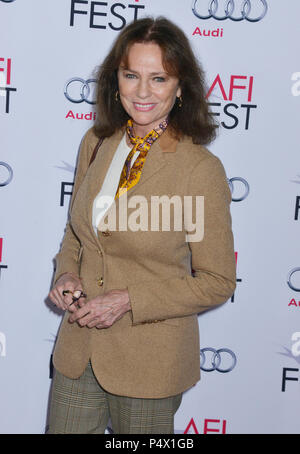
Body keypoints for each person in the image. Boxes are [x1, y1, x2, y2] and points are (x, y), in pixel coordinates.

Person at [47, 16, 236, 434]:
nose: (143, 92)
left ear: (181, 86)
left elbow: (217, 280)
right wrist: (66, 271)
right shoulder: (96, 143)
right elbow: (77, 234)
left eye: (159, 78)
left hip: (151, 360)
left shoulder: (199, 169)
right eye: (132, 75)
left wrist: (128, 299)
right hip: (79, 350)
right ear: (116, 79)